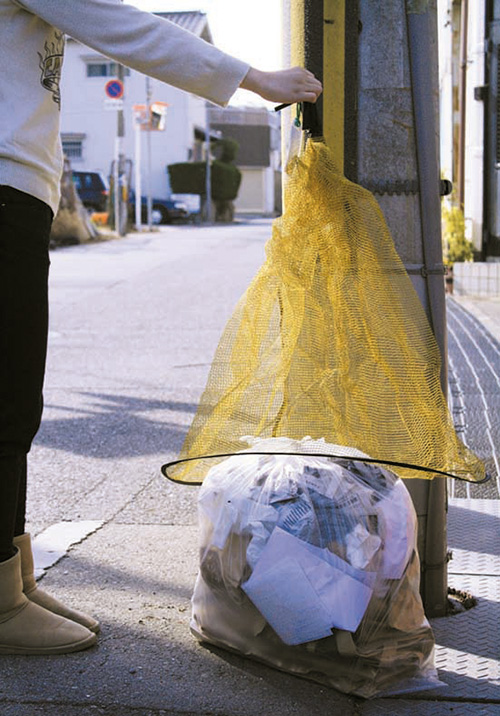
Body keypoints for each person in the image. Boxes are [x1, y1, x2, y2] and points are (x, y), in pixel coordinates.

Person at [0, 0, 322, 655]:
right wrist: (255, 79)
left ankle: (13, 577)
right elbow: (122, 25)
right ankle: (1, 603)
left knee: (14, 399)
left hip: (15, 192)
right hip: (3, 191)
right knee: (5, 399)